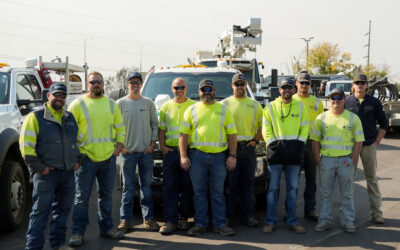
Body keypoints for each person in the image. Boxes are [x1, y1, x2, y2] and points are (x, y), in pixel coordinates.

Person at [68, 72, 126, 247]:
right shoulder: (77, 105)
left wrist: (118, 147)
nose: (97, 84)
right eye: (93, 82)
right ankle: (77, 233)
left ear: (103, 84)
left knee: (106, 197)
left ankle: (107, 228)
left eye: (99, 82)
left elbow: (120, 127)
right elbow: (69, 132)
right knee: (81, 198)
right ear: (88, 84)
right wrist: (77, 154)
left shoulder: (111, 104)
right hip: (85, 160)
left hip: (108, 159)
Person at [20, 83, 80, 250]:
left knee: (62, 212)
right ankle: (33, 247)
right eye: (56, 95)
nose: (59, 98)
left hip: (67, 174)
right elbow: (26, 148)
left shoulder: (69, 118)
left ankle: (58, 244)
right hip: (46, 175)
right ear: (48, 96)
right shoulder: (36, 117)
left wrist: (77, 161)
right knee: (40, 213)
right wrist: (41, 168)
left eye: (62, 95)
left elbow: (78, 142)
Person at [180, 79, 237, 236]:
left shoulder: (224, 110)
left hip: (219, 157)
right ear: (199, 92)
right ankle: (200, 224)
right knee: (199, 193)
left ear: (214, 91)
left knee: (217, 192)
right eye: (203, 89)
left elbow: (232, 134)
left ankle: (220, 224)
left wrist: (232, 155)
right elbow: (183, 135)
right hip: (197, 156)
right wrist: (183, 156)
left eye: (209, 89)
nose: (207, 92)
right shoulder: (191, 110)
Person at [311, 88, 364, 233]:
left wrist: (353, 159)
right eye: (333, 98)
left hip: (345, 161)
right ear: (330, 100)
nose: (336, 100)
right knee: (325, 193)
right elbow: (315, 139)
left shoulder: (353, 118)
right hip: (326, 160)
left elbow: (359, 141)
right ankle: (325, 220)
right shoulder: (321, 118)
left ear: (344, 99)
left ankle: (348, 221)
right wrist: (317, 157)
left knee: (347, 193)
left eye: (339, 97)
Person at [262, 79, 309, 234]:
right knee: (273, 189)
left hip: (294, 153)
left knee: (293, 189)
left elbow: (305, 127)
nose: (287, 90)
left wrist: (299, 144)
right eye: (284, 88)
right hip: (276, 153)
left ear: (294, 90)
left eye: (289, 87)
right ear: (279, 90)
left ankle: (293, 221)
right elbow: (266, 128)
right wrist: (273, 145)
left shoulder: (301, 107)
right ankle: (270, 221)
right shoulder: (270, 107)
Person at [117, 71, 160, 232]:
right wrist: (121, 147)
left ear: (141, 85)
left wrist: (152, 144)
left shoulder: (148, 103)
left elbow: (155, 125)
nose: (135, 85)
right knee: (127, 188)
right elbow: (114, 127)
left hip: (145, 153)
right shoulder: (120, 103)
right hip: (127, 154)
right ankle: (125, 220)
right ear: (127, 84)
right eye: (132, 82)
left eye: (137, 82)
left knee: (146, 187)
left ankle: (148, 219)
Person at [345, 74, 388, 224]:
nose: (360, 85)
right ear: (353, 85)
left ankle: (377, 213)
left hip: (369, 145)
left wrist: (377, 141)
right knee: (349, 179)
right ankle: (346, 211)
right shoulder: (347, 101)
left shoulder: (374, 102)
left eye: (363, 82)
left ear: (367, 85)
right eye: (357, 82)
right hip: (351, 146)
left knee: (372, 180)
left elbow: (384, 123)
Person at [221, 73, 263, 227]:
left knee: (248, 184)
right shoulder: (224, 104)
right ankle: (228, 217)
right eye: (237, 84)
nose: (240, 87)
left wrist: (256, 140)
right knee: (230, 185)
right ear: (232, 86)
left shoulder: (255, 105)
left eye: (242, 84)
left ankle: (249, 216)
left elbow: (262, 126)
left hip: (248, 148)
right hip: (230, 149)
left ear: (247, 86)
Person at [158, 77, 195, 235]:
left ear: (186, 89)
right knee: (170, 187)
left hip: (189, 153)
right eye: (176, 87)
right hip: (171, 153)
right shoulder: (166, 106)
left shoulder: (194, 106)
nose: (179, 90)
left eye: (181, 87)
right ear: (171, 89)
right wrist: (163, 147)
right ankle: (170, 221)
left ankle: (184, 219)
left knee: (187, 187)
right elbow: (162, 130)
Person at [293, 72, 324, 221]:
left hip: (312, 143)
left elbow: (321, 126)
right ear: (296, 83)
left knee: (311, 179)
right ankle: (290, 210)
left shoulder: (318, 103)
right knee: (293, 179)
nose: (304, 85)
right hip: (294, 143)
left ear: (310, 85)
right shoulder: (290, 99)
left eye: (307, 83)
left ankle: (310, 209)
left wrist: (319, 148)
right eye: (302, 83)